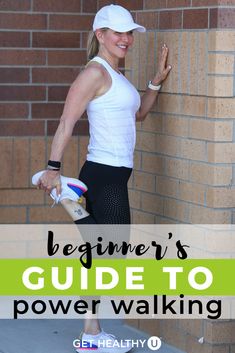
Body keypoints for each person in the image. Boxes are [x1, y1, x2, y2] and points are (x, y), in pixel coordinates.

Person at [32, 4, 171, 352]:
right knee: (113, 252)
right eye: (118, 33)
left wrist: (155, 81)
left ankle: (91, 334)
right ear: (100, 35)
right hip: (103, 173)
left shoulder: (117, 75)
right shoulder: (94, 73)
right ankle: (65, 195)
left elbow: (138, 115)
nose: (126, 39)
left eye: (129, 33)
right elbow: (67, 121)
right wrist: (53, 167)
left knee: (99, 252)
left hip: (115, 173)